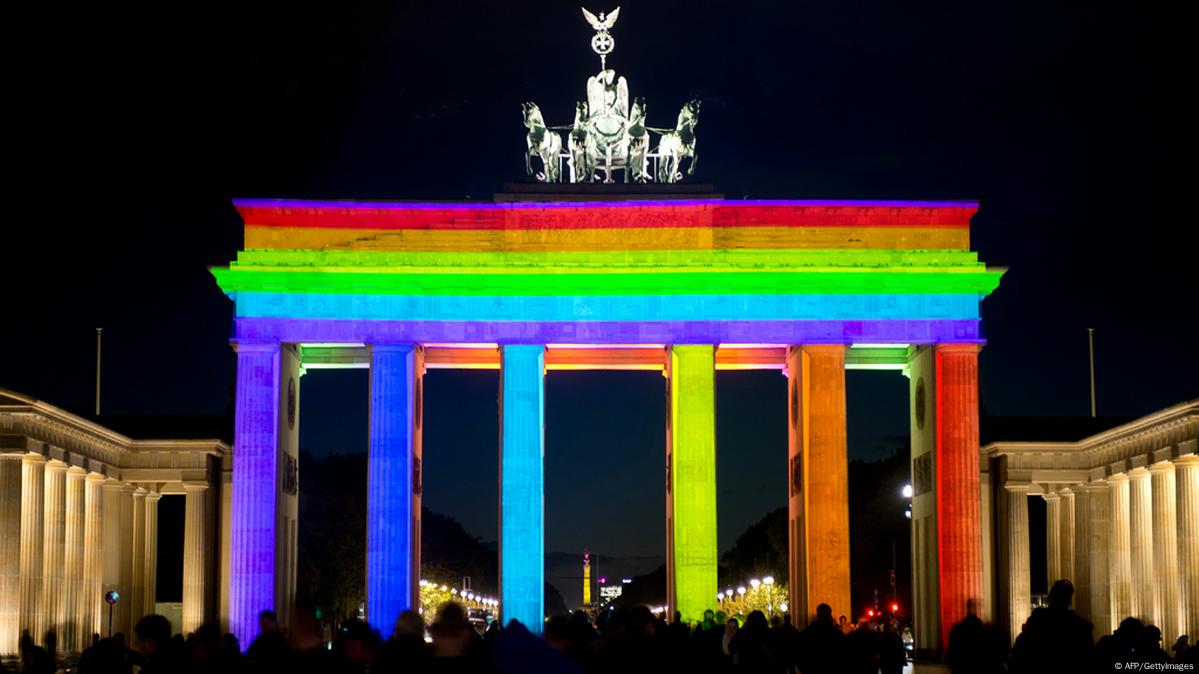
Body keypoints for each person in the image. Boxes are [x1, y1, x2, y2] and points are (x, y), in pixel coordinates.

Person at [1009, 580, 1093, 674]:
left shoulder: (1037, 621)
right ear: (1069, 600)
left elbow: (1019, 655)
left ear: (1051, 597)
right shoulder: (1081, 627)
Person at [798, 604, 847, 674]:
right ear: (830, 615)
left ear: (818, 615)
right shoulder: (837, 634)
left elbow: (800, 651)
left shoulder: (808, 632)